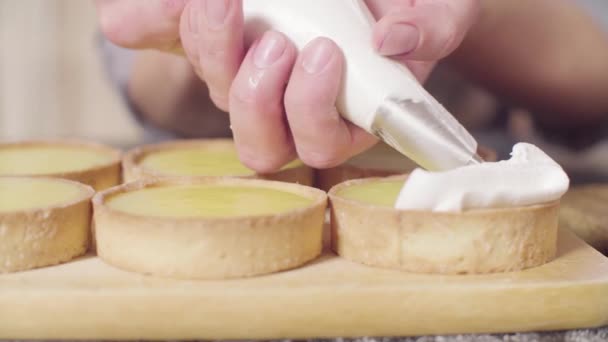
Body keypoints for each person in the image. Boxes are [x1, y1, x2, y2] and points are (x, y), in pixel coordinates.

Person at [95, 0, 608, 181]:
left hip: (511, 154)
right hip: (213, 166)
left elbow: (595, 64)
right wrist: (195, 41)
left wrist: (472, 15)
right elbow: (140, 67)